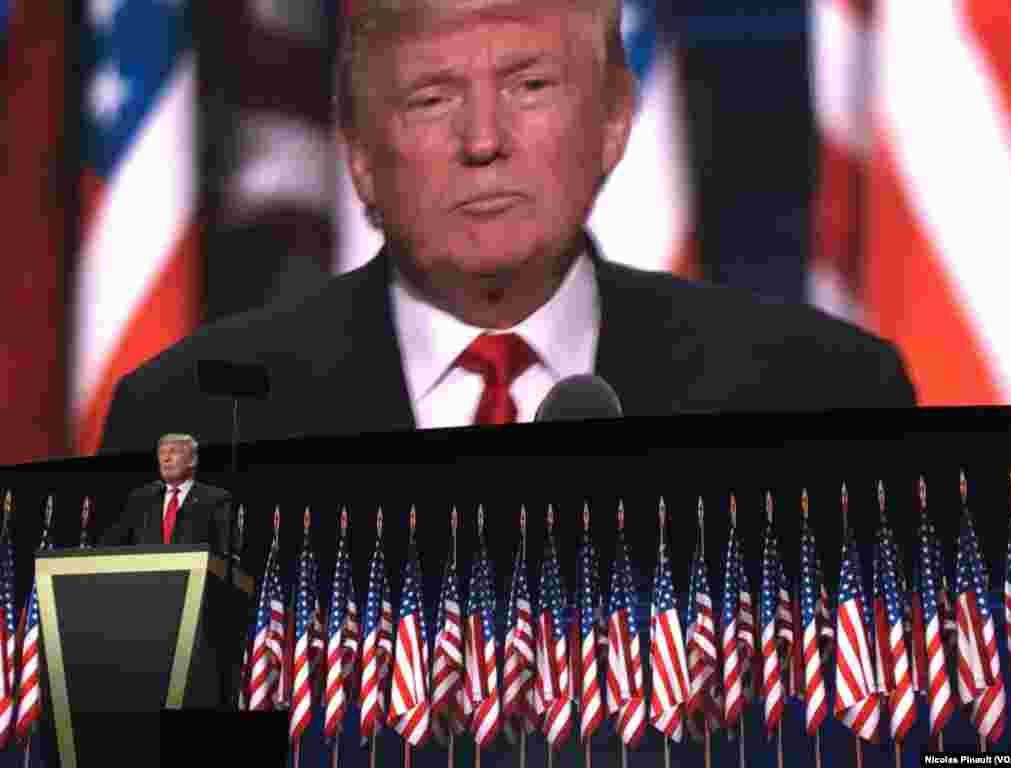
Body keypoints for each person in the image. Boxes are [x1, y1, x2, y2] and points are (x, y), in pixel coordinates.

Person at [98, 0, 914, 454]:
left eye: (530, 85)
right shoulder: (193, 422)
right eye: (431, 97)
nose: (483, 139)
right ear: (360, 155)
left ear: (614, 121)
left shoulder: (819, 399)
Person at [102, 433, 233, 553]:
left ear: (192, 460)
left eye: (173, 452)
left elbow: (223, 553)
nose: (166, 458)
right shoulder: (141, 499)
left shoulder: (215, 499)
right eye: (162, 453)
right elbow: (114, 544)